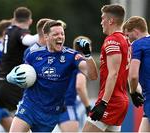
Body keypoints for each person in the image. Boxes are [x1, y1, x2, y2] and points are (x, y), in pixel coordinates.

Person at [7, 20, 98, 132]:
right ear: (46, 37)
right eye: (56, 34)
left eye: (62, 34)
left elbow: (93, 76)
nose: (60, 37)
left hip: (50, 113)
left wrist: (88, 55)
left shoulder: (71, 56)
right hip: (29, 106)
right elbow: (25, 76)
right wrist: (14, 77)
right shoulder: (33, 55)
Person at [82, 4, 131, 132]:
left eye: (103, 18)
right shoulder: (126, 40)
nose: (101, 22)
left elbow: (113, 74)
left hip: (110, 101)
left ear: (111, 21)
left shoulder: (112, 40)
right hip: (120, 100)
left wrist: (103, 103)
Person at [0, 7, 38, 112]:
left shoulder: (9, 30)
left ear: (14, 19)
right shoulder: (19, 32)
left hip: (0, 83)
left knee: (13, 124)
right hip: (12, 85)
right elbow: (27, 40)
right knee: (22, 124)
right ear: (30, 21)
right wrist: (45, 34)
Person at [58, 36, 92, 132]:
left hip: (51, 104)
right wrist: (87, 106)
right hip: (67, 106)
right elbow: (79, 86)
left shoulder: (66, 59)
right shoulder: (81, 63)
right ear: (88, 48)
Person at [123, 16, 150, 132]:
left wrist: (133, 92)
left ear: (135, 31)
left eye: (127, 36)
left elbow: (133, 75)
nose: (127, 40)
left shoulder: (137, 44)